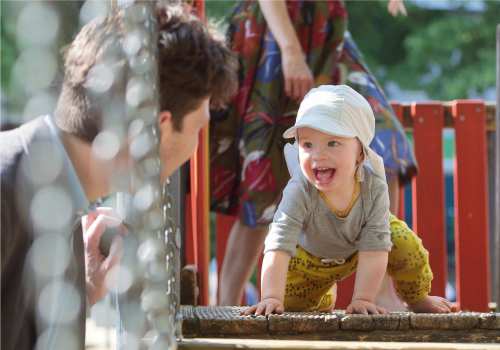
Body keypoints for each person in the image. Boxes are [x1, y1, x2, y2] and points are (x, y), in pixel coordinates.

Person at [1, 5, 237, 350]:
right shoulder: (7, 190)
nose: (196, 147)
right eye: (199, 128)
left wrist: (82, 295)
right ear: (157, 130)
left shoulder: (60, 208)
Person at [211, 0, 416, 307]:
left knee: (384, 146)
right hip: (274, 30)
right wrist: (291, 51)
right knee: (262, 176)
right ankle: (225, 308)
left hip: (328, 31)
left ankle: (381, 293)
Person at [243, 85, 454, 316]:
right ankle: (321, 297)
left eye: (333, 143)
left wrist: (363, 299)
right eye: (307, 144)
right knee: (294, 305)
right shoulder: (300, 189)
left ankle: (417, 298)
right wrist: (271, 297)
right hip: (308, 259)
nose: (318, 154)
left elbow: (375, 247)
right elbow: (279, 246)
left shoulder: (373, 186)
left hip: (360, 248)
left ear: (360, 154)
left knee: (402, 240)